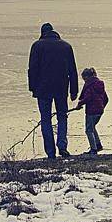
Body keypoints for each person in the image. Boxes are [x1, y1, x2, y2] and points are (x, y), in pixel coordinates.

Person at [28, 22, 78, 158]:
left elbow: (32, 69)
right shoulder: (66, 46)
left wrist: (32, 88)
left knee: (45, 119)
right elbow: (72, 70)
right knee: (62, 117)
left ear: (42, 33)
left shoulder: (37, 46)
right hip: (61, 88)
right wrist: (74, 90)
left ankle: (50, 152)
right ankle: (62, 146)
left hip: (42, 89)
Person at [74, 67, 108, 155]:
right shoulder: (100, 85)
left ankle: (93, 149)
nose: (84, 81)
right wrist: (101, 107)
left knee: (89, 130)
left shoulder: (90, 85)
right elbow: (106, 99)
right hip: (99, 111)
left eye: (84, 79)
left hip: (91, 111)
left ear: (87, 77)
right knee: (92, 127)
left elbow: (87, 98)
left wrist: (80, 104)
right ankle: (98, 145)